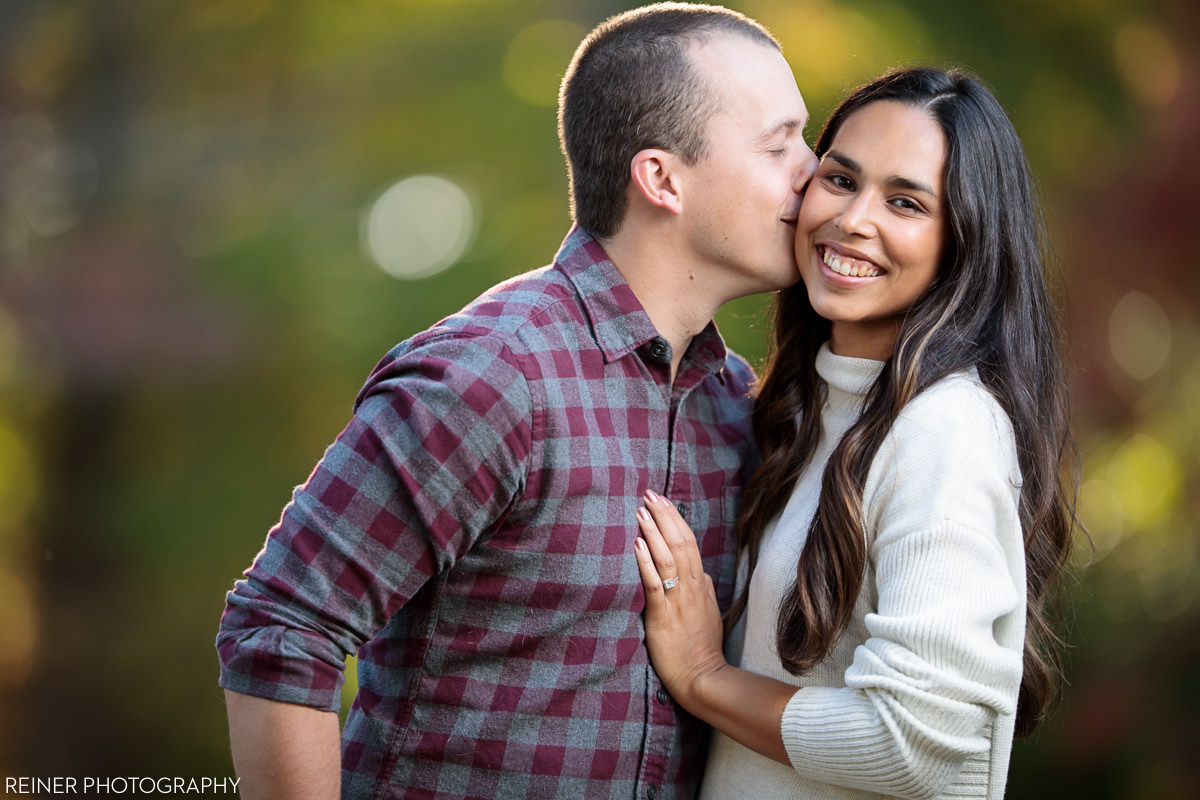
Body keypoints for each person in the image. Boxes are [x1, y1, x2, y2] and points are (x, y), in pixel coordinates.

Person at [216, 3, 818, 799]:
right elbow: (283, 627)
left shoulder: (732, 402)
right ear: (662, 179)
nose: (814, 173)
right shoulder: (491, 379)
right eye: (780, 145)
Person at [633, 67, 1078, 800]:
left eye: (904, 202)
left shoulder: (945, 429)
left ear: (964, 239)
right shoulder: (803, 413)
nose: (852, 219)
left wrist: (705, 677)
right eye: (840, 180)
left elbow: (915, 747)